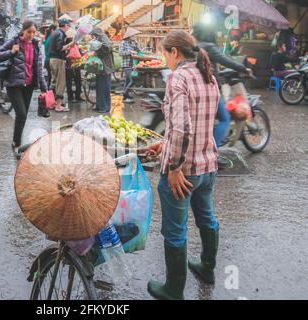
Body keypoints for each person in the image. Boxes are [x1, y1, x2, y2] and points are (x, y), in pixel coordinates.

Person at [146, 30, 220, 301]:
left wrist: (174, 167)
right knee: (207, 219)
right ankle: (207, 269)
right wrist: (165, 145)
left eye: (165, 53)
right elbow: (199, 125)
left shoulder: (178, 77)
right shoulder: (208, 75)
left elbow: (181, 128)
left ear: (174, 52)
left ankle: (173, 290)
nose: (165, 59)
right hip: (208, 165)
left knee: (175, 231)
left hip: (184, 172)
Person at [192, 23, 252, 169]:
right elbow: (226, 61)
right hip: (210, 90)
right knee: (224, 119)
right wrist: (244, 69)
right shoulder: (209, 47)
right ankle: (213, 155)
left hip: (195, 89)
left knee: (208, 121)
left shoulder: (194, 47)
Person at [0, 20, 47, 153]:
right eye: (29, 32)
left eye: (34, 32)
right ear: (23, 31)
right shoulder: (14, 42)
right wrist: (11, 52)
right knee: (21, 113)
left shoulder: (36, 46)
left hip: (28, 85)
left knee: (22, 116)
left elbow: (39, 69)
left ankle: (16, 140)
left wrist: (44, 88)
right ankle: (16, 142)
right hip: (14, 84)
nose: (31, 35)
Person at [48, 18, 73, 112]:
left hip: (52, 59)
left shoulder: (54, 32)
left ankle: (51, 103)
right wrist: (70, 44)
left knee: (54, 82)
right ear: (65, 25)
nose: (68, 28)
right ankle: (58, 105)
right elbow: (59, 48)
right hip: (58, 60)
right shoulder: (60, 34)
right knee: (61, 82)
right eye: (68, 26)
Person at [90, 27, 114, 114]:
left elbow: (107, 48)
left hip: (105, 68)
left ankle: (105, 108)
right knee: (99, 87)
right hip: (101, 68)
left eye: (94, 35)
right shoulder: (100, 38)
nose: (93, 36)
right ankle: (99, 106)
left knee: (104, 88)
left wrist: (98, 49)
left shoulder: (104, 39)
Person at [120, 27, 141, 103]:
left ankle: (126, 95)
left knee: (128, 80)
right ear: (129, 36)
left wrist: (136, 43)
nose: (134, 37)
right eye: (133, 35)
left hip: (132, 64)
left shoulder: (133, 42)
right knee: (131, 79)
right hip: (126, 64)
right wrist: (130, 52)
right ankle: (125, 94)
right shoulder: (123, 43)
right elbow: (121, 53)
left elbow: (139, 50)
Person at [64, 35, 83, 103]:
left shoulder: (66, 47)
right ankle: (76, 96)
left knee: (69, 82)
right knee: (77, 81)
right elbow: (80, 55)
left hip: (69, 66)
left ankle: (71, 97)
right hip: (74, 65)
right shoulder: (68, 47)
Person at [43, 24, 57, 89]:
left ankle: (48, 91)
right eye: (56, 30)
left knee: (50, 77)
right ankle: (50, 93)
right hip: (50, 60)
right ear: (52, 30)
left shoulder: (47, 38)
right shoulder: (52, 38)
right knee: (52, 78)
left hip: (47, 60)